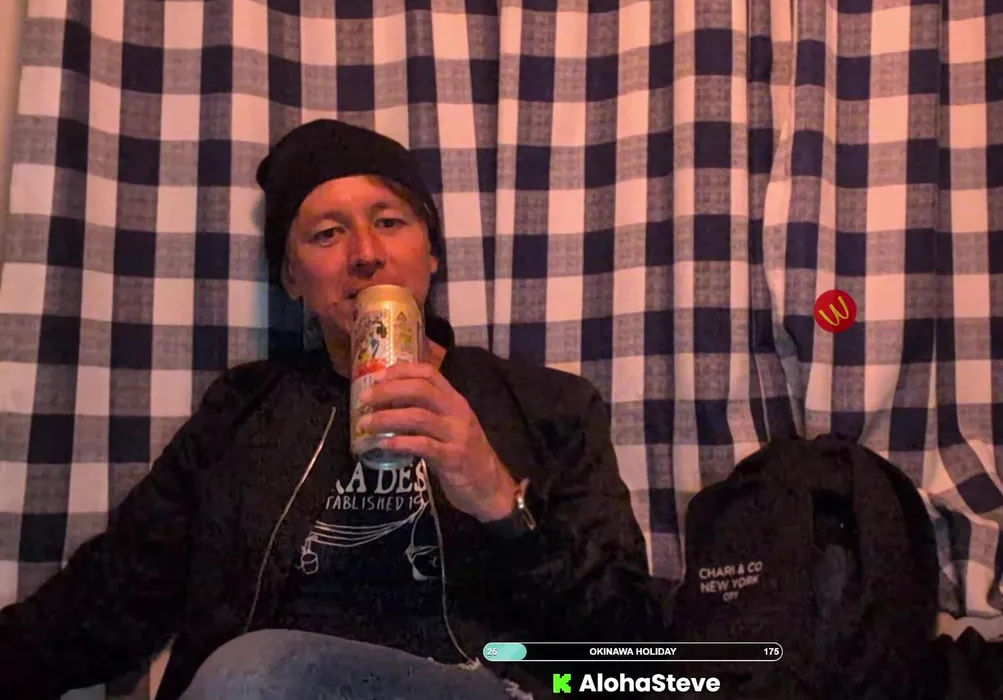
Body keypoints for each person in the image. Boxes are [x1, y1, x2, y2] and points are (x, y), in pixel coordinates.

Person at [0, 119, 659, 700]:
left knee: (253, 675)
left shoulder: (548, 407)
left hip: (469, 685)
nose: (366, 254)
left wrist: (500, 503)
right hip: (266, 686)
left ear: (431, 253)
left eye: (390, 222)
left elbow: (628, 651)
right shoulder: (241, 414)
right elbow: (107, 598)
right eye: (327, 233)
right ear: (292, 278)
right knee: (252, 674)